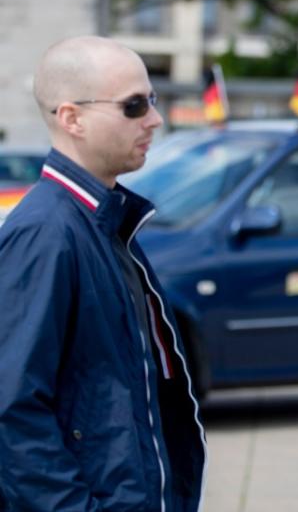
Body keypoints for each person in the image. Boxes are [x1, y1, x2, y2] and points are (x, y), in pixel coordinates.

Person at [0, 37, 206, 510]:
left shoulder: (104, 221)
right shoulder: (46, 233)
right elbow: (11, 411)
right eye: (133, 106)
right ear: (72, 118)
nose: (154, 119)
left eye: (151, 101)